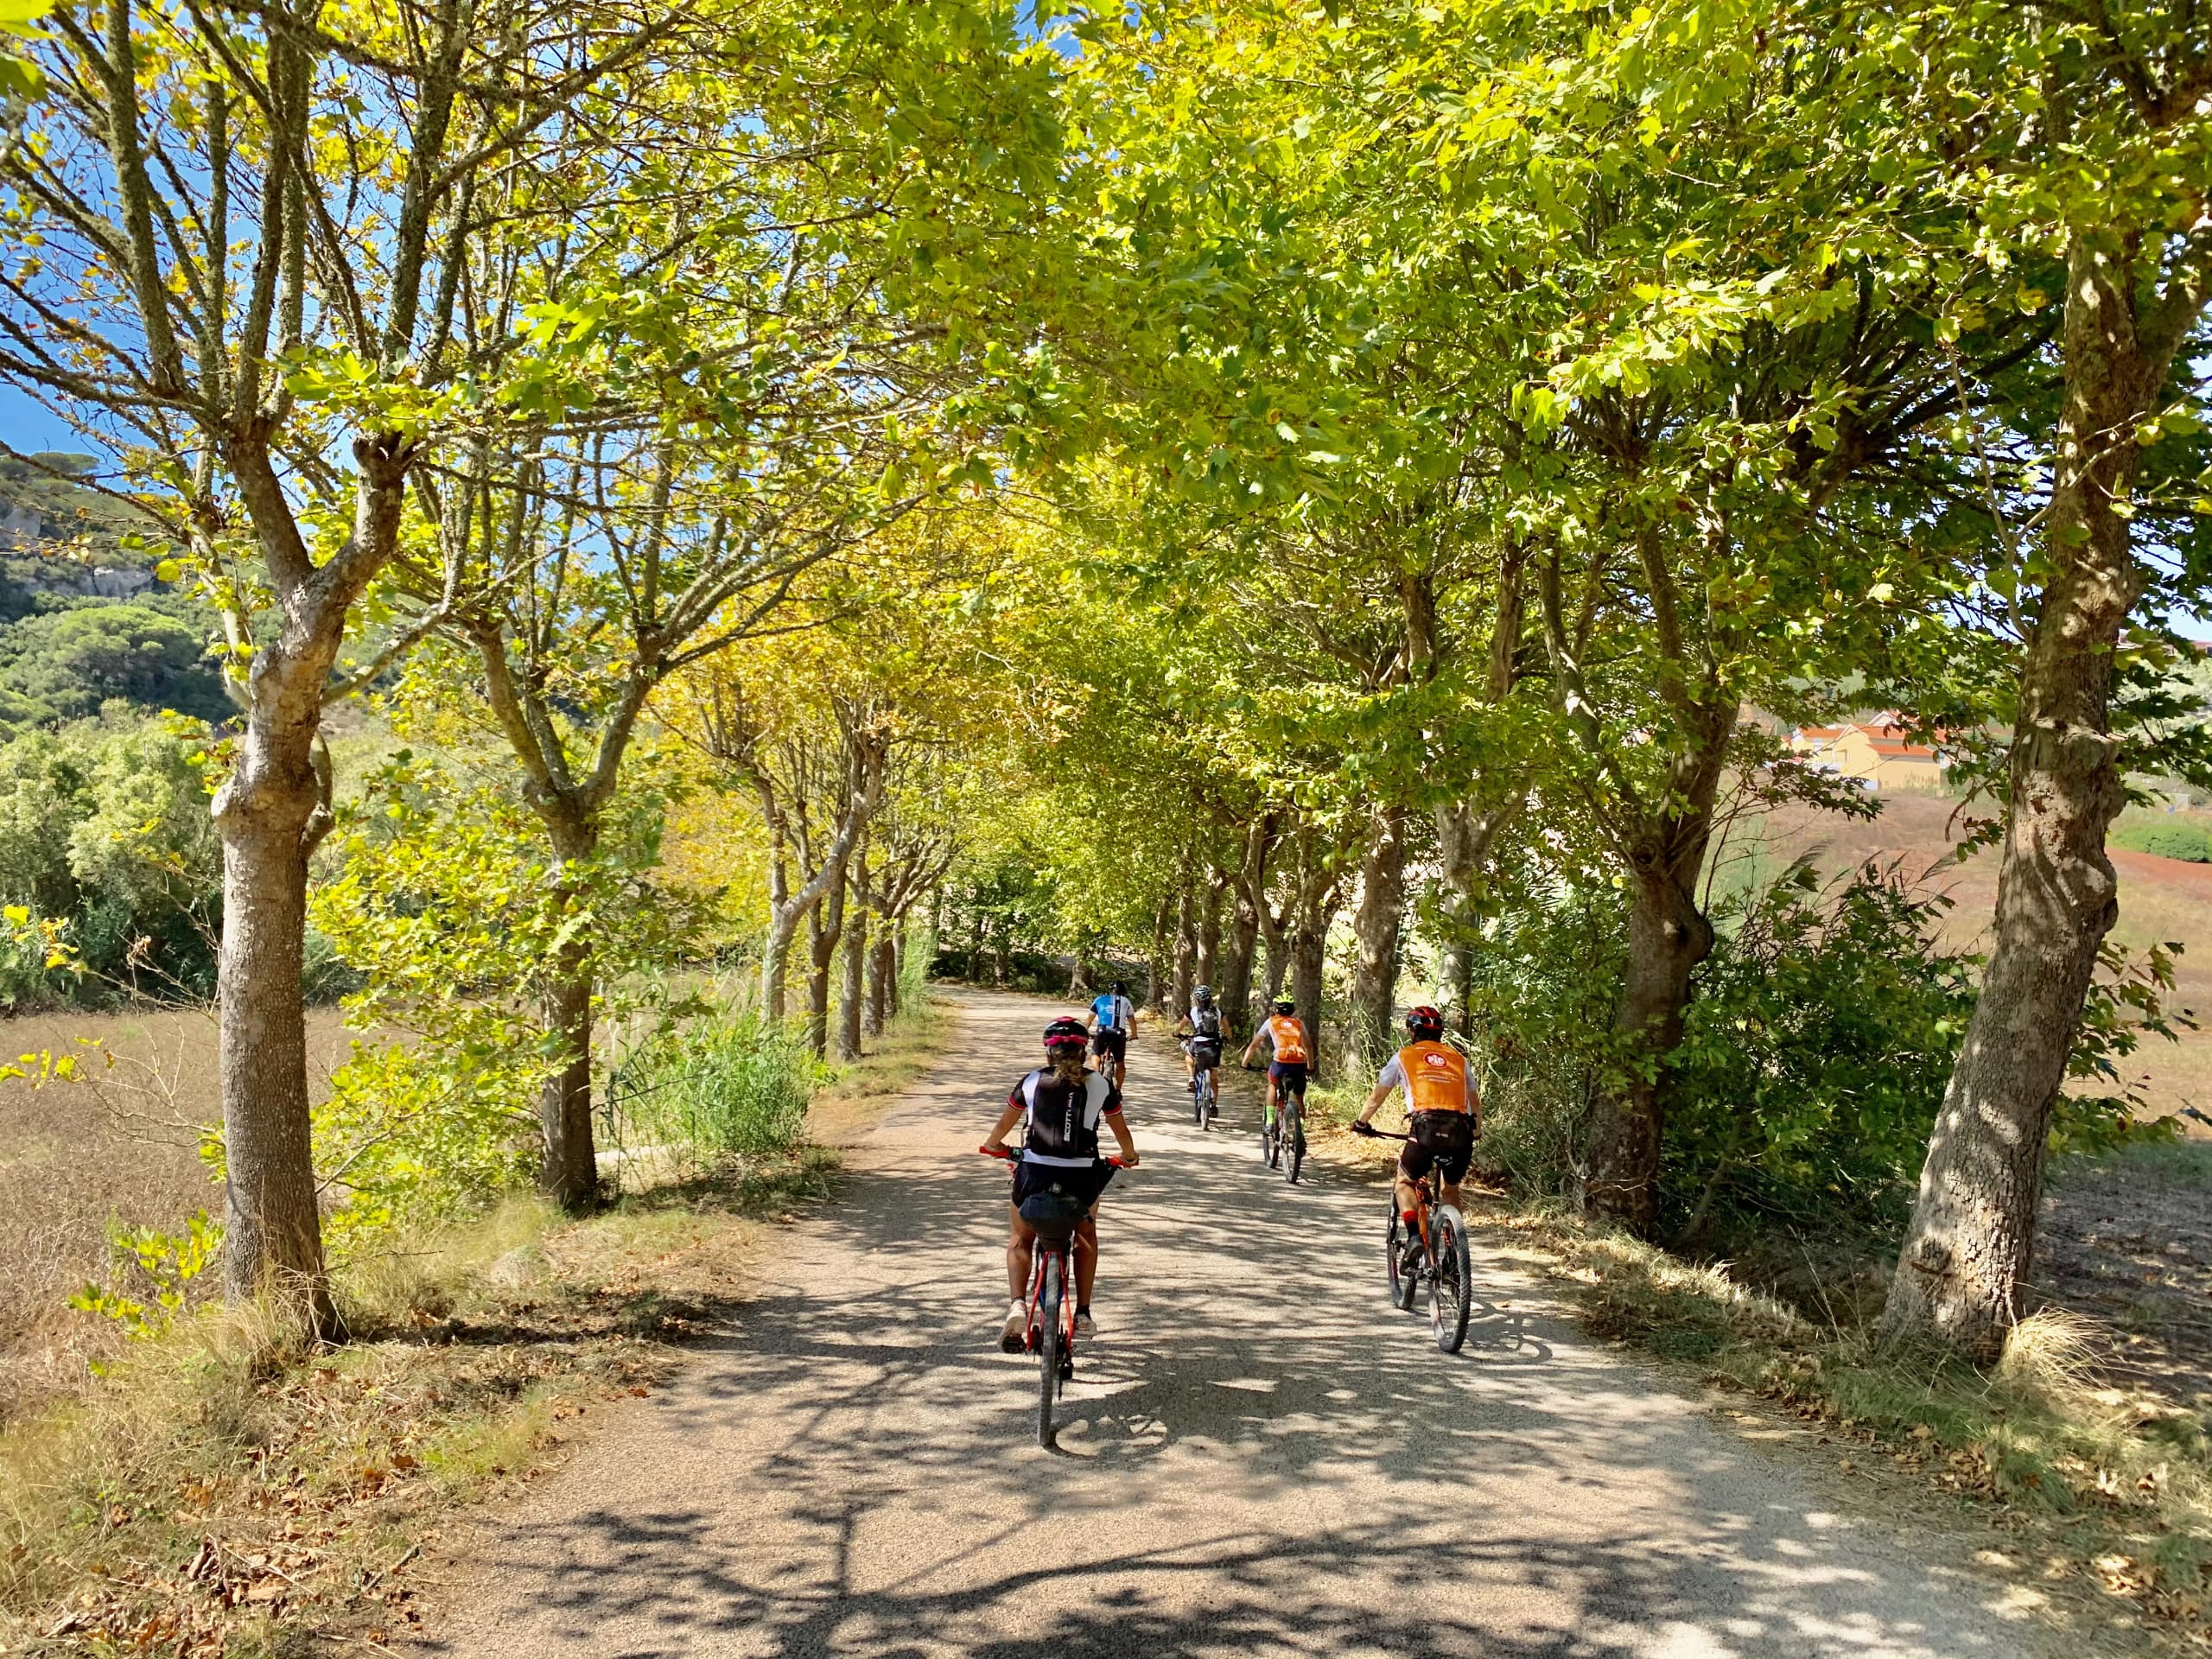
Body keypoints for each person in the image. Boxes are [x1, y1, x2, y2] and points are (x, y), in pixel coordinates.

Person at [982, 1016, 1140, 1351]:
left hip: (1034, 1174)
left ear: (1049, 1052)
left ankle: (1017, 1306)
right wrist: (1128, 1155)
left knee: (1020, 1239)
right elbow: (1121, 1132)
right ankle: (1082, 1313)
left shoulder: (1031, 1081)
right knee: (1085, 1235)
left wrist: (994, 1146)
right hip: (1082, 1177)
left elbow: (1003, 1125)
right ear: (1084, 1051)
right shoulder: (1101, 1085)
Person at [1351, 1007, 1479, 1252]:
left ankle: (1413, 1238)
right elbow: (1474, 1101)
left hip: (1425, 1129)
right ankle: (1455, 1253)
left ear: (1412, 1031)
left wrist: (1361, 1123)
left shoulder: (1403, 1056)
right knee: (1450, 1189)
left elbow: (1378, 1097)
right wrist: (1477, 1132)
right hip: (1460, 1132)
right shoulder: (1459, 1060)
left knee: (1404, 1182)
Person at [1239, 995, 1310, 1138]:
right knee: (1299, 1097)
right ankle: (1300, 1130)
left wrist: (1245, 1062)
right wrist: (1310, 1066)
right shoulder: (1298, 1023)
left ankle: (1270, 1121)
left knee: (1272, 1084)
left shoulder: (1271, 1022)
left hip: (1280, 1062)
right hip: (1299, 1063)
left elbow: (1254, 1044)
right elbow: (1308, 1045)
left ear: (1276, 1009)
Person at [1175, 983, 1228, 1107]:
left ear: (1196, 999)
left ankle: (1191, 1078)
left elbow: (1181, 1026)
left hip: (1198, 1043)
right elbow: (1227, 1028)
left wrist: (1176, 1034)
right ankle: (1214, 1105)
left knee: (1188, 1053)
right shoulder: (1219, 1011)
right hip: (1215, 1045)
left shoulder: (1192, 1011)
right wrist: (1226, 1038)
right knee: (1214, 1076)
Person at [1086, 979, 1137, 1089]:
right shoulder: (1126, 1001)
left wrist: (1085, 1031)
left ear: (1110, 991)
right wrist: (1134, 1034)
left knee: (1095, 1053)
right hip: (1118, 1033)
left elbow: (1089, 1019)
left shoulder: (1099, 999)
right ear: (1123, 992)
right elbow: (1132, 1020)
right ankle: (1118, 1089)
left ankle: (1097, 1072)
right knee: (1120, 1062)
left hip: (1102, 1031)